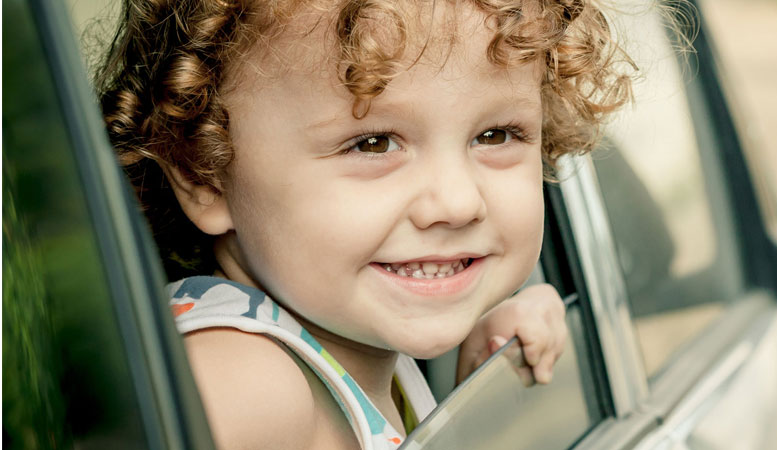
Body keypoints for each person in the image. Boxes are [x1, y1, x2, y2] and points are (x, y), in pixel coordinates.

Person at [96, 0, 634, 448]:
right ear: (202, 175)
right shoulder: (243, 384)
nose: (457, 201)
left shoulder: (356, 357)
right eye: (372, 143)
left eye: (495, 135)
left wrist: (474, 391)